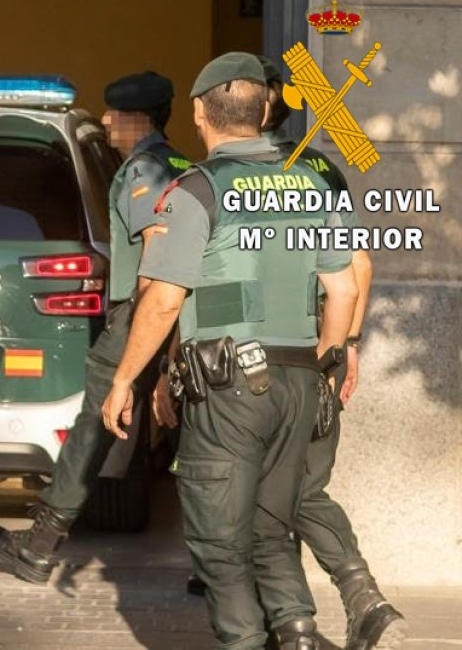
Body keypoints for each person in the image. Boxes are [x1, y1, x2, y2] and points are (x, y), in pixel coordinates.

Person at [100, 52, 358, 649]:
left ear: (198, 113)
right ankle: (295, 631)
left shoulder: (195, 189)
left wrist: (124, 380)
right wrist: (319, 365)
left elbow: (164, 301)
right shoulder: (311, 182)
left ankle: (245, 641)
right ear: (266, 110)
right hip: (298, 380)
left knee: (220, 540)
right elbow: (342, 287)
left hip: (230, 391)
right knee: (272, 526)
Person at [0, 71, 189, 583]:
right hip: (177, 311)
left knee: (94, 422)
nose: (108, 121)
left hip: (143, 309)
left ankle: (40, 543)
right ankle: (216, 563)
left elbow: (159, 244)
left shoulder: (144, 170)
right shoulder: (180, 162)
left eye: (114, 114)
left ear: (135, 118)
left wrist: (139, 318)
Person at [258, 54, 406, 650]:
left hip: (264, 361)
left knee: (272, 494)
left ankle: (299, 623)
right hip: (319, 351)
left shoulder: (222, 175)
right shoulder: (320, 169)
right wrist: (344, 347)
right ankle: (344, 603)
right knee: (299, 489)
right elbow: (359, 264)